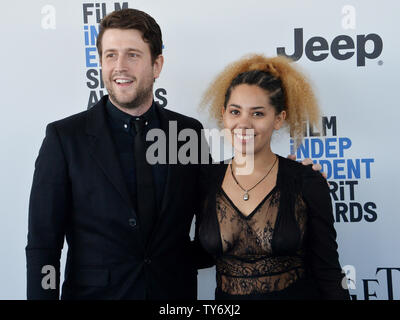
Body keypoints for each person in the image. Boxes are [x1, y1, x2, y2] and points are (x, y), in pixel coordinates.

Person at [26, 8, 323, 300]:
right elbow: (43, 244)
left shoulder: (186, 133)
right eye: (110, 55)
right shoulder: (65, 138)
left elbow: (218, 208)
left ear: (157, 65)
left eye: (133, 54)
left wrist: (288, 178)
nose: (120, 66)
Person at [198, 54, 350, 300]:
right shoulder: (205, 180)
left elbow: (328, 270)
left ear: (279, 118)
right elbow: (195, 254)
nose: (243, 123)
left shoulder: (306, 181)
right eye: (235, 112)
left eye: (258, 114)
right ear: (224, 114)